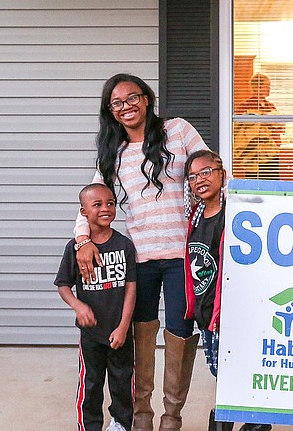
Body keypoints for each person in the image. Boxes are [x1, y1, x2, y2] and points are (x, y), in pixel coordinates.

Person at [75, 74, 208, 431]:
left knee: (180, 333)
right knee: (141, 334)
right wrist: (82, 239)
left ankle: (172, 418)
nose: (126, 106)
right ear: (111, 112)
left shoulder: (178, 131)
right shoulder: (113, 152)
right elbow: (90, 199)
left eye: (132, 98)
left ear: (146, 99)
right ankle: (142, 416)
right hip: (140, 259)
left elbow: (207, 172)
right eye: (117, 103)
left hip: (182, 255)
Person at [183, 149, 271, 431]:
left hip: (232, 311)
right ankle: (251, 421)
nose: (200, 180)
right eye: (193, 176)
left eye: (206, 172)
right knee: (221, 371)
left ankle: (256, 423)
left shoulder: (236, 215)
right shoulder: (195, 216)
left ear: (222, 173)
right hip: (207, 310)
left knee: (234, 371)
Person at [55, 183, 137, 431]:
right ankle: (88, 426)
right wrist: (78, 306)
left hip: (120, 332)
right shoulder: (75, 249)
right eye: (97, 204)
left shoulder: (124, 245)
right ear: (83, 212)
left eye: (110, 203)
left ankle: (121, 425)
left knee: (122, 383)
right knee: (90, 384)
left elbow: (131, 288)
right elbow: (63, 285)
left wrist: (124, 327)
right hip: (91, 334)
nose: (106, 208)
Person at [234, 73, 283, 180]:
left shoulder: (271, 106)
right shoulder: (245, 106)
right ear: (257, 87)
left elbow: (281, 126)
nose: (269, 89)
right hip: (253, 156)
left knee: (273, 183)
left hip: (271, 153)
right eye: (267, 86)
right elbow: (238, 131)